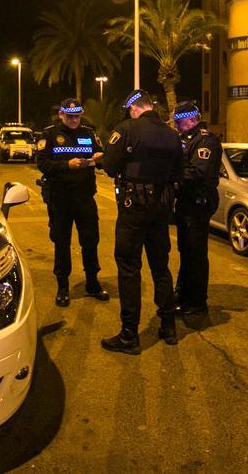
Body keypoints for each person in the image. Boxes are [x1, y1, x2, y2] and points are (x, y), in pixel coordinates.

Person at [100, 89, 183, 354]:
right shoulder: (172, 135)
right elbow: (179, 172)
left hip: (133, 206)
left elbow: (110, 167)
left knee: (128, 266)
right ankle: (168, 325)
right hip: (161, 207)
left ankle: (129, 334)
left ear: (135, 108)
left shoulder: (127, 128)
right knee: (160, 266)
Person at [36, 98, 109, 307]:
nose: (74, 120)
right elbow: (43, 164)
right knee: (61, 242)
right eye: (70, 116)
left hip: (85, 197)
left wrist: (100, 158)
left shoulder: (89, 134)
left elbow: (102, 161)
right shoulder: (49, 135)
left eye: (77, 116)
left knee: (90, 240)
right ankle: (63, 286)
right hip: (60, 198)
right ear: (61, 115)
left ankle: (92, 283)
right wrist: (67, 165)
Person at [172, 100, 222, 315]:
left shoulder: (205, 141)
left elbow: (198, 172)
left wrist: (170, 177)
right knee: (185, 250)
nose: (176, 126)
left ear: (191, 119)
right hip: (186, 202)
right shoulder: (185, 139)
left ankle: (197, 300)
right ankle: (183, 292)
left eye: (178, 122)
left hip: (198, 202)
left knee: (196, 253)